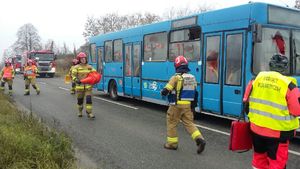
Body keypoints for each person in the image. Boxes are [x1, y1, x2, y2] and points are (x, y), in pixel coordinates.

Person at [243, 54, 300, 169]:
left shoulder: (255, 80)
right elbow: (297, 111)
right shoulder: (289, 85)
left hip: (256, 129)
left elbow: (246, 101)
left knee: (259, 159)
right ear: (285, 67)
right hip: (278, 133)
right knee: (277, 162)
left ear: (270, 66)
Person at [161, 55, 206, 154]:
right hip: (188, 106)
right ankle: (200, 139)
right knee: (189, 124)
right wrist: (193, 108)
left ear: (176, 66)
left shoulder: (176, 77)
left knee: (172, 123)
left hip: (176, 106)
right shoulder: (192, 78)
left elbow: (166, 90)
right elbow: (195, 94)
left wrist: (163, 92)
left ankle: (172, 144)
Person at [72, 52, 96, 118]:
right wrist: (76, 80)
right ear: (79, 59)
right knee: (80, 101)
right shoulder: (76, 67)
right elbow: (73, 75)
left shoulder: (89, 67)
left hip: (88, 88)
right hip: (80, 88)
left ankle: (89, 112)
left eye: (84, 58)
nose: (83, 60)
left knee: (89, 100)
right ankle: (80, 111)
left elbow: (94, 73)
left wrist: (96, 77)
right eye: (82, 58)